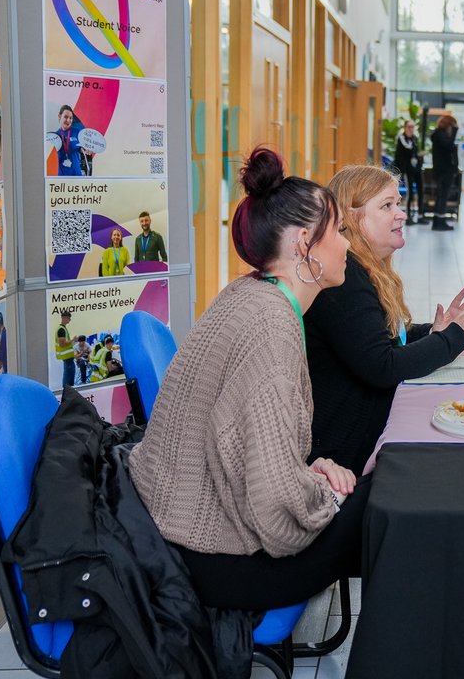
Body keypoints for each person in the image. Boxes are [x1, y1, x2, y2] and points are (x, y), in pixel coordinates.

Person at [129, 146, 366, 612]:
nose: (347, 244)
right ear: (303, 243)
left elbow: (249, 451)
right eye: (338, 230)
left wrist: (306, 473)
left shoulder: (247, 292)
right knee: (383, 502)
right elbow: (278, 516)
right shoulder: (272, 327)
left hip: (173, 533)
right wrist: (322, 491)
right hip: (213, 563)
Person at [305, 164, 464, 474]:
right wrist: (455, 336)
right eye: (387, 206)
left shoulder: (363, 269)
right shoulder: (346, 279)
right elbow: (383, 366)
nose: (402, 214)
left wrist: (434, 331)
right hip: (342, 457)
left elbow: (380, 335)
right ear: (352, 218)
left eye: (398, 203)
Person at [393, 120, 427, 224]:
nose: (411, 129)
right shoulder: (402, 138)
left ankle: (420, 215)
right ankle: (408, 217)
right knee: (410, 192)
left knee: (421, 190)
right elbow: (408, 150)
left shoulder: (415, 138)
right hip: (407, 170)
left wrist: (419, 159)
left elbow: (416, 152)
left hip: (416, 169)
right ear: (405, 127)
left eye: (412, 127)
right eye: (409, 127)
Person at [430, 115, 458, 231]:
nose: (453, 128)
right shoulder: (441, 136)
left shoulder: (438, 135)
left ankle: (438, 221)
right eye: (453, 126)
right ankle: (440, 222)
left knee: (441, 196)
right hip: (444, 170)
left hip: (442, 170)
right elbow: (449, 146)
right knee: (443, 196)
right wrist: (454, 133)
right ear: (448, 125)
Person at [52, 105, 85, 177]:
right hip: (61, 176)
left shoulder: (78, 133)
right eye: (65, 117)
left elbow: (83, 147)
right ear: (59, 116)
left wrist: (85, 149)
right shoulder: (54, 136)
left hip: (76, 175)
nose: (68, 120)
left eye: (71, 118)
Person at [56, 309, 76, 388]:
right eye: (68, 318)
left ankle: (68, 390)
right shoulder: (61, 330)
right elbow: (62, 344)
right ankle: (67, 391)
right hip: (67, 357)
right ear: (64, 318)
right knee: (68, 378)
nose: (69, 320)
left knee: (70, 376)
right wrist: (73, 340)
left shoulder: (63, 329)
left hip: (68, 357)